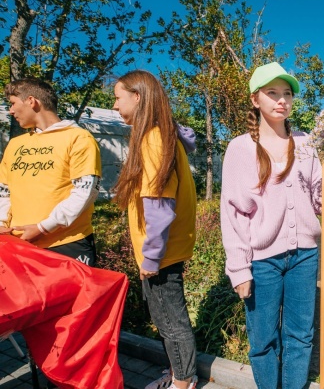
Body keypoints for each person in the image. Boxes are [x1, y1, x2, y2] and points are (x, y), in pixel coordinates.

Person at [220, 62, 322, 389]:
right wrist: (239, 269)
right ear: (255, 99)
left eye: (287, 94)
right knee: (263, 339)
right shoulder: (240, 148)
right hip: (262, 261)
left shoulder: (306, 143)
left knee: (300, 335)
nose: (282, 100)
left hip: (305, 256)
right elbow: (233, 213)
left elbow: (320, 198)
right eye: (272, 93)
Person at [112, 70, 198, 389]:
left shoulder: (153, 138)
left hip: (161, 255)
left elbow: (159, 207)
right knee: (167, 319)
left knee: (171, 322)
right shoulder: (164, 135)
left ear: (137, 97)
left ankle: (183, 382)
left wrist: (150, 257)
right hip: (165, 251)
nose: (114, 105)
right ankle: (179, 374)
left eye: (118, 98)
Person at [0, 78, 101, 266]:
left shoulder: (78, 138)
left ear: (31, 101)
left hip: (67, 245)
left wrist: (43, 228)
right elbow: (4, 191)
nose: (11, 111)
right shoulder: (15, 145)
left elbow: (86, 191)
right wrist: (1, 224)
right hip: (19, 245)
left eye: (13, 103)